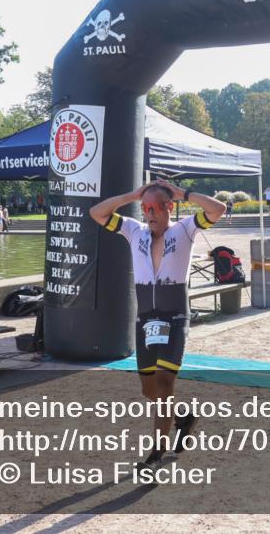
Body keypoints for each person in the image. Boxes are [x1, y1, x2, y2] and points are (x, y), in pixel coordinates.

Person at [89, 180, 225, 470]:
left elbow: (218, 209)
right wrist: (131, 195)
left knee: (164, 385)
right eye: (145, 208)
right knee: (149, 391)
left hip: (174, 316)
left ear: (169, 207)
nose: (149, 213)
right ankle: (184, 418)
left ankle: (155, 456)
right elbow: (97, 213)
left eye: (155, 208)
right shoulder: (134, 231)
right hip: (146, 320)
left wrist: (185, 193)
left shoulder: (184, 229)